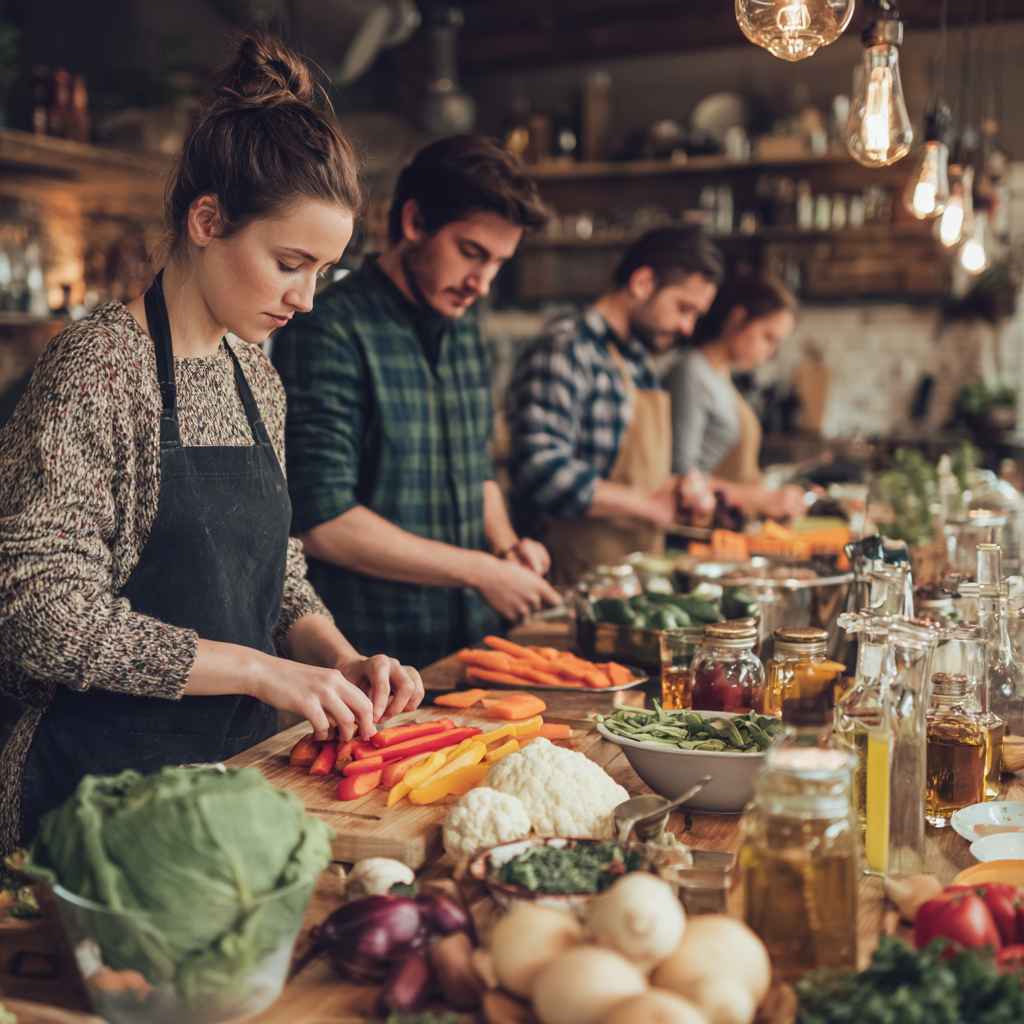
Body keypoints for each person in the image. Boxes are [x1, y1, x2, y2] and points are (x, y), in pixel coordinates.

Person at [0, 34, 424, 853]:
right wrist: (265, 671)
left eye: (323, 273)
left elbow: (274, 570)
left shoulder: (255, 374)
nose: (306, 299)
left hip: (239, 773)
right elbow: (40, 616)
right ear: (207, 220)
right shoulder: (98, 367)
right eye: (289, 263)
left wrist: (336, 658)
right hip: (94, 795)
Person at [272, 136, 561, 669]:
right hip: (373, 656)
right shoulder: (329, 330)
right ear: (413, 222)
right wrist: (482, 571)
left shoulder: (467, 327)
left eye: (498, 262)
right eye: (471, 253)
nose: (482, 282)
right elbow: (324, 522)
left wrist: (504, 547)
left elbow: (479, 470)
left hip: (471, 644)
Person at [508, 226, 721, 585]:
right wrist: (649, 506)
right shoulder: (566, 348)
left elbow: (637, 475)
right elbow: (538, 468)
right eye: (684, 308)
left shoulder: (639, 361)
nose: (688, 327)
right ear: (641, 282)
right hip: (571, 580)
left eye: (696, 315)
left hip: (631, 579)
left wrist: (680, 491)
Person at [664, 272, 807, 520]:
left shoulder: (721, 374)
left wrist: (774, 493)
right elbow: (680, 477)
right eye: (767, 337)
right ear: (738, 318)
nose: (769, 351)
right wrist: (762, 498)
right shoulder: (691, 372)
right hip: (696, 529)